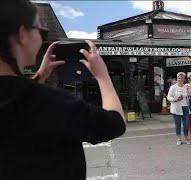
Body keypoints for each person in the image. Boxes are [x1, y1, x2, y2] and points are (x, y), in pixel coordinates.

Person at [0, 1, 126, 179]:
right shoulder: (54, 104)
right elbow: (115, 123)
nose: (42, 37)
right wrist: (103, 75)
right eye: (42, 32)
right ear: (21, 34)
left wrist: (38, 78)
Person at [167, 72, 191, 145]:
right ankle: (179, 139)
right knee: (178, 124)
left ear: (184, 79)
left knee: (186, 124)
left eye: (182, 78)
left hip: (185, 107)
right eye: (179, 78)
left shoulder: (186, 86)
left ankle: (186, 138)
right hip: (176, 108)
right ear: (177, 79)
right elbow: (168, 97)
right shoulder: (173, 87)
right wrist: (175, 99)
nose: (180, 79)